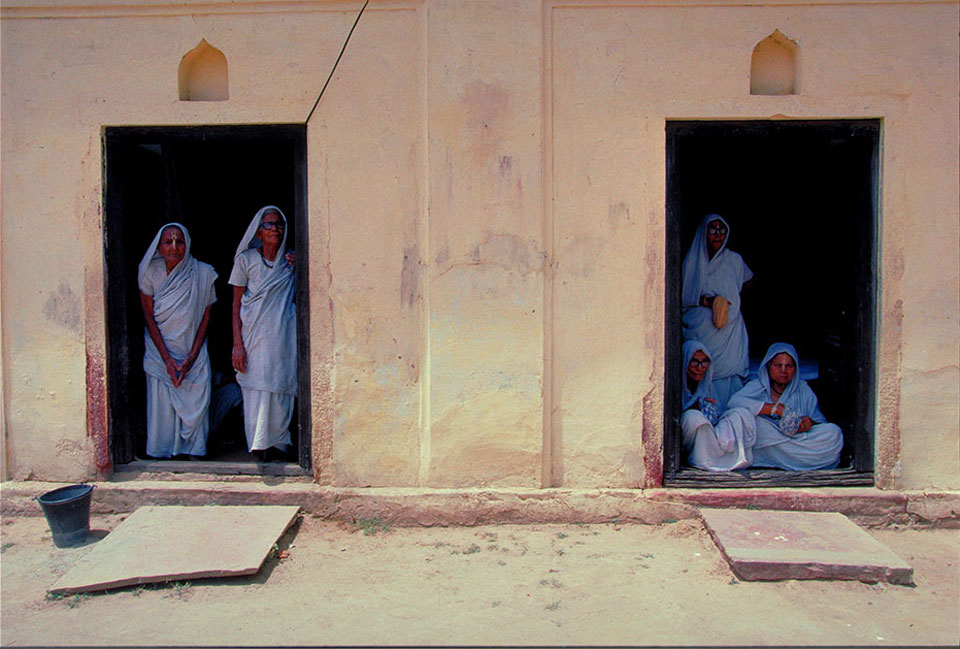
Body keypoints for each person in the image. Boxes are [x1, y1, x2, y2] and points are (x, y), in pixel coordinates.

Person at [138, 223, 217, 459]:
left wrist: (191, 357)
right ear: (159, 247)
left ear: (187, 244)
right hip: (158, 350)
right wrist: (167, 360)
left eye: (179, 242)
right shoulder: (149, 272)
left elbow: (206, 317)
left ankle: (193, 449)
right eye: (168, 242)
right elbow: (149, 317)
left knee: (196, 398)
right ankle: (163, 450)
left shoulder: (202, 273)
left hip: (193, 350)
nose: (174, 247)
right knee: (162, 402)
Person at [229, 206, 297, 461]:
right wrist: (237, 344)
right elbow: (235, 304)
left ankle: (279, 442)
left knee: (280, 384)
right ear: (258, 232)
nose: (274, 229)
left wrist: (301, 264)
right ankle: (259, 444)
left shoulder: (290, 261)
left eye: (278, 224)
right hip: (253, 335)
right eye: (268, 225)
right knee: (257, 385)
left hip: (282, 334)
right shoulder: (245, 260)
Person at [728, 342, 843, 470]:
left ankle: (785, 458)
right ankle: (795, 460)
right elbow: (734, 403)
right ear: (768, 366)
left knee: (834, 432)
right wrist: (774, 409)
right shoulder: (756, 386)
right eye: (778, 365)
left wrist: (810, 423)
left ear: (795, 369)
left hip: (796, 440)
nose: (783, 370)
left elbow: (821, 422)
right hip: (767, 439)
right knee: (749, 421)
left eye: (788, 366)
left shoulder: (803, 390)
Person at [681, 214, 753, 407]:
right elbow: (682, 297)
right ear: (704, 233)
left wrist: (731, 305)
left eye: (722, 230)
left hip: (730, 332)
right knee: (701, 368)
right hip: (702, 328)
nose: (718, 234)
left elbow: (748, 281)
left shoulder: (734, 261)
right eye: (713, 229)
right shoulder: (692, 262)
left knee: (730, 378)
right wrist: (708, 301)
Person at [680, 340, 756, 471]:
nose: (700, 367)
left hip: (711, 430)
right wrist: (694, 407)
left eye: (704, 362)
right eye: (694, 362)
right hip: (691, 434)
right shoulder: (676, 385)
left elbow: (719, 414)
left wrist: (711, 410)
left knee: (739, 413)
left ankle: (730, 461)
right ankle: (703, 460)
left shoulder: (708, 385)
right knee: (693, 417)